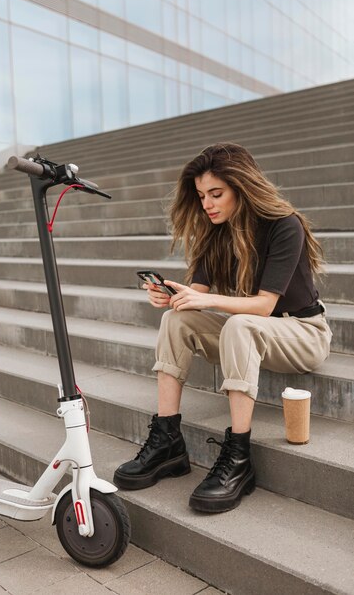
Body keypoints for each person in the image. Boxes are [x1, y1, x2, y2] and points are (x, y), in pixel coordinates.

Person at [113, 142, 332, 513]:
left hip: (302, 334)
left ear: (241, 189)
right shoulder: (216, 232)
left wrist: (209, 301)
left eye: (216, 194)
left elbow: (264, 305)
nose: (207, 204)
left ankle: (239, 457)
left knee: (240, 324)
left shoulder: (283, 225)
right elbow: (194, 295)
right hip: (253, 333)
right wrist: (171, 296)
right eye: (201, 196)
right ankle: (167, 440)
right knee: (176, 318)